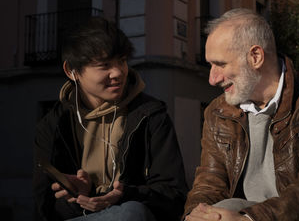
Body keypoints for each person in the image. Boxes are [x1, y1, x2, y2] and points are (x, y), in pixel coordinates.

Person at [183, 8, 299, 220]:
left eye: (220, 64)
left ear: (255, 56)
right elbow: (209, 182)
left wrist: (251, 219)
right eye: (210, 65)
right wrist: (195, 214)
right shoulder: (218, 111)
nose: (213, 78)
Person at [33, 17, 188, 221]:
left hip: (134, 215)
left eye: (122, 61)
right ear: (72, 71)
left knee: (131, 212)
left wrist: (125, 195)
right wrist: (79, 196)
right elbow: (43, 207)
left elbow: (174, 195)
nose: (118, 73)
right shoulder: (54, 123)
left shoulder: (150, 115)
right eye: (104, 65)